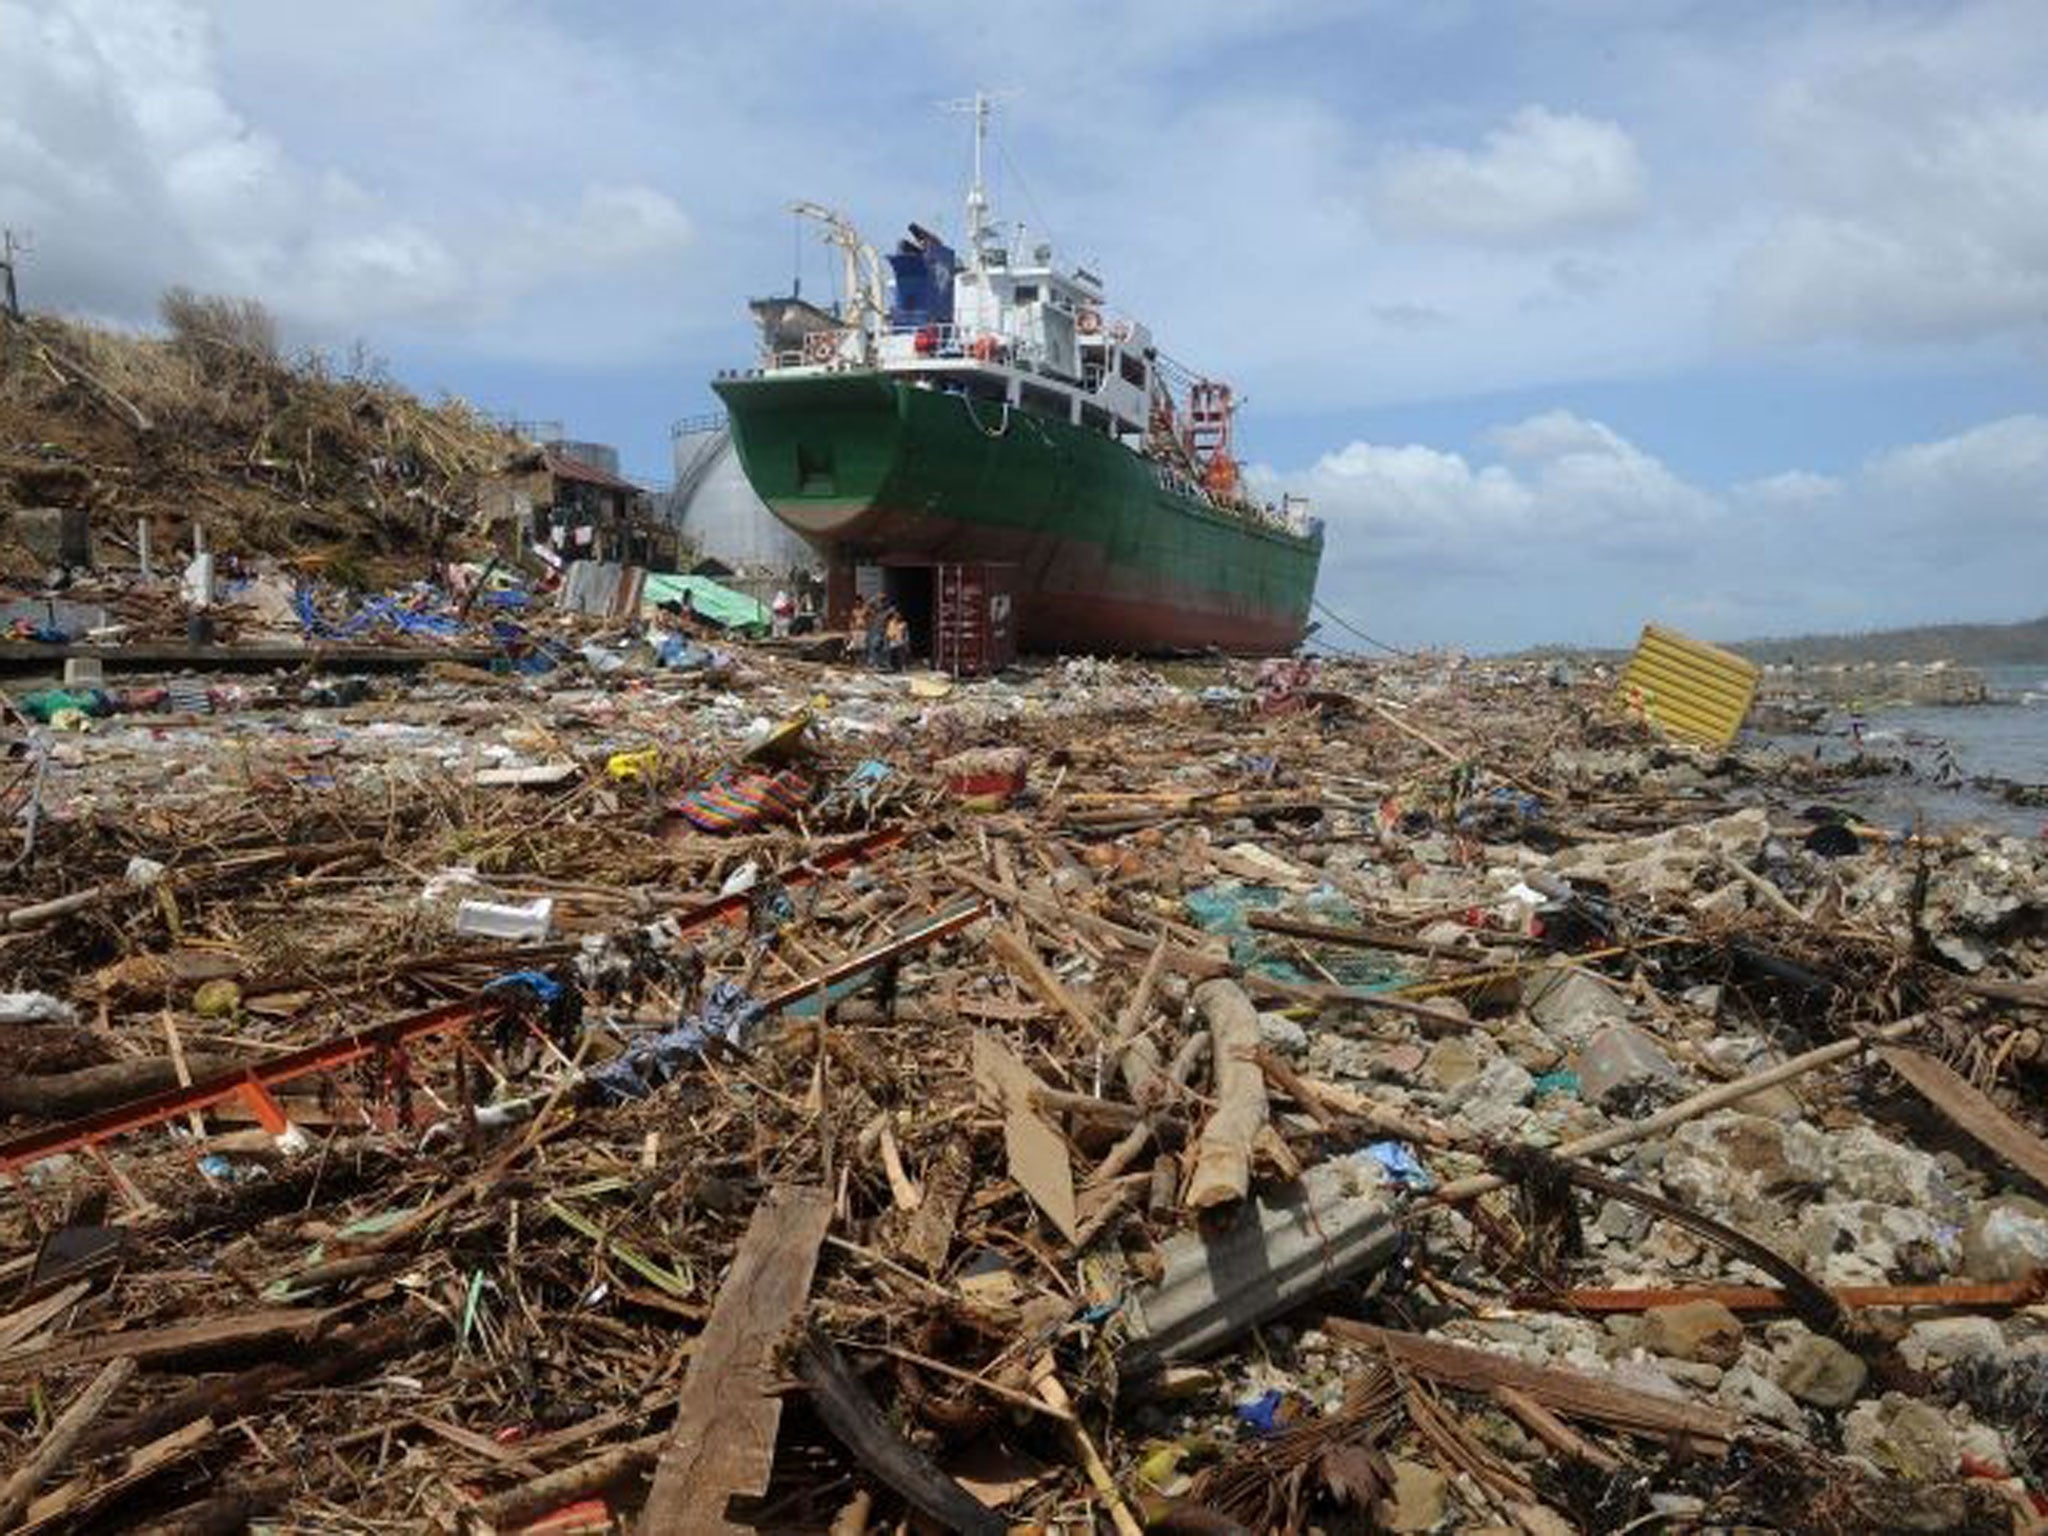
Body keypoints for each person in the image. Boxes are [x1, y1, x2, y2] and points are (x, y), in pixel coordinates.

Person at [846, 597, 870, 663]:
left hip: (863, 630)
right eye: (856, 602)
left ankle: (863, 661)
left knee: (863, 646)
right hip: (855, 630)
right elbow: (851, 620)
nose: (858, 603)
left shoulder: (865, 610)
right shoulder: (854, 611)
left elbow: (870, 616)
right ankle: (856, 661)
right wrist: (851, 630)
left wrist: (867, 625)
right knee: (855, 647)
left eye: (859, 601)